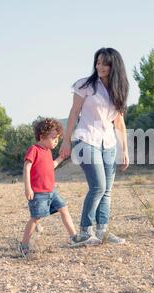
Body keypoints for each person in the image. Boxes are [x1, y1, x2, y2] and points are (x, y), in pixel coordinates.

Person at [59, 48, 130, 246]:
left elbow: (119, 123)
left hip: (108, 143)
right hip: (86, 139)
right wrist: (66, 140)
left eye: (105, 63)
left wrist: (125, 150)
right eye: (98, 62)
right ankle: (84, 232)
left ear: (114, 65)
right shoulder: (85, 85)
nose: (100, 67)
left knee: (107, 190)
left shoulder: (119, 90)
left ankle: (102, 232)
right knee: (98, 186)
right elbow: (74, 112)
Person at [18, 118, 77, 256]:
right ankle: (24, 245)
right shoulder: (34, 149)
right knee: (36, 218)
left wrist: (61, 158)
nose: (56, 141)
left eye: (58, 138)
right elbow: (27, 167)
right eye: (54, 138)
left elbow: (51, 166)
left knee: (64, 209)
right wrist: (28, 187)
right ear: (42, 136)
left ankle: (74, 237)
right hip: (38, 193)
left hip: (52, 191)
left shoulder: (48, 151)